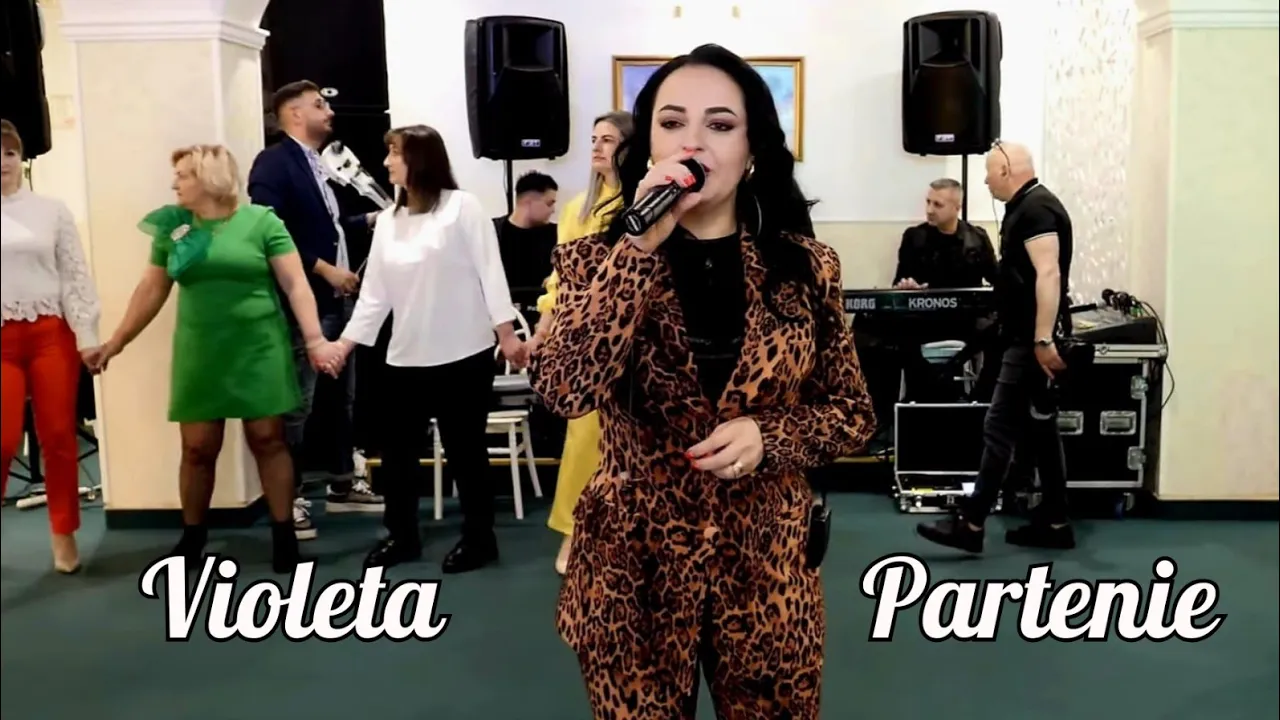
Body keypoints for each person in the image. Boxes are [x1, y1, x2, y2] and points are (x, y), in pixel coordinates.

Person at [530, 45, 876, 718]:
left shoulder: (807, 267)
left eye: (719, 124)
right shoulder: (594, 259)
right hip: (634, 571)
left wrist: (770, 436)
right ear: (648, 147)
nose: (692, 142)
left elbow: (852, 413)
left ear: (752, 150)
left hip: (766, 569)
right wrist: (637, 248)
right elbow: (564, 388)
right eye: (671, 123)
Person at [91, 144, 341, 573]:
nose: (174, 184)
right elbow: (151, 289)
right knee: (197, 448)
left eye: (183, 175)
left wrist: (315, 339)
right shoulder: (173, 227)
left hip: (259, 346)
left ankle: (284, 537)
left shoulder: (261, 222)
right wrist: (116, 342)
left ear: (210, 178)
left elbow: (295, 284)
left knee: (268, 440)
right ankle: (192, 539)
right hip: (200, 350)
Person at [331, 124, 527, 573]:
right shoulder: (389, 222)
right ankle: (402, 537)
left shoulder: (463, 208)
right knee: (398, 456)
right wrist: (344, 346)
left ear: (419, 158)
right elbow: (375, 296)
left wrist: (507, 335)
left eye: (394, 152)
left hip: (464, 354)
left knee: (466, 453)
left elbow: (491, 272)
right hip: (405, 357)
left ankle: (479, 539)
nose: (386, 162)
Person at [916, 140, 1076, 553]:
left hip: (1029, 340)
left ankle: (971, 524)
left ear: (1006, 172)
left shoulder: (1036, 210)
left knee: (999, 426)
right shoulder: (1028, 207)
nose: (986, 182)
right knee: (1041, 430)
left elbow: (1048, 274)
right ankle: (1056, 522)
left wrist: (1042, 338)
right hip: (1026, 335)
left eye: (989, 174)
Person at [247, 79, 383, 543]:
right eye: (319, 104)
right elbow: (269, 232)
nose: (329, 111)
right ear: (294, 114)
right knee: (298, 403)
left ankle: (343, 483)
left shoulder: (316, 163)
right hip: (307, 303)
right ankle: (291, 498)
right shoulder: (274, 162)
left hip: (339, 302)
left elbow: (329, 227)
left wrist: (371, 220)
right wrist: (325, 269)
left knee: (341, 398)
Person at [528, 110, 634, 575]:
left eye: (607, 139)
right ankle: (576, 532)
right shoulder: (577, 209)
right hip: (585, 341)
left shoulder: (643, 202)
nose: (596, 147)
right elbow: (560, 277)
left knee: (633, 441)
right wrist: (544, 327)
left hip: (635, 337)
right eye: (594, 139)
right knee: (584, 440)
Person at [0, 118, 101, 574]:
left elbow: (75, 276)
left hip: (50, 335)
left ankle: (64, 532)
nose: (3, 162)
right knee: (4, 440)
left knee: (59, 436)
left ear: (21, 158)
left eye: (9, 153)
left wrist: (88, 337)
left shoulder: (51, 211)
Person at [856, 178, 1000, 432]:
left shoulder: (976, 238)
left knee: (1001, 332)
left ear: (957, 207)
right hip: (922, 322)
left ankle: (981, 409)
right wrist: (907, 286)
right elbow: (900, 281)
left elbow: (996, 281)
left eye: (938, 204)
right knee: (867, 325)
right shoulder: (915, 237)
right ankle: (882, 418)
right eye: (928, 202)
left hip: (964, 324)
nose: (930, 210)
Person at [494, 170, 558, 309]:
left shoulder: (558, 235)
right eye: (549, 203)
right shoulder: (492, 233)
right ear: (528, 202)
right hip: (502, 313)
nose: (553, 210)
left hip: (546, 315)